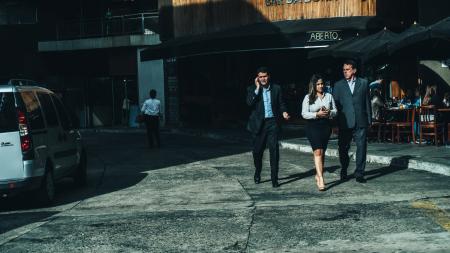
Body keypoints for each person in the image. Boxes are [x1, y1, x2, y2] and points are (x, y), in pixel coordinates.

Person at [246, 66, 290, 188]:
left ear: (268, 76)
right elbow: (249, 103)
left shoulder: (276, 88)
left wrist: (284, 112)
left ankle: (274, 179)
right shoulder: (252, 89)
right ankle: (257, 171)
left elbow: (281, 103)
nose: (263, 79)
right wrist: (257, 88)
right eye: (260, 77)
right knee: (257, 152)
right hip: (258, 125)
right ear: (257, 78)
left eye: (265, 76)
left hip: (272, 123)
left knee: (274, 151)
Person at [332, 60, 371, 183]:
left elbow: (367, 103)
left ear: (354, 70)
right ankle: (344, 168)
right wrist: (335, 124)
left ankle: (359, 173)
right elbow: (335, 106)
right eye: (344, 70)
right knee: (343, 148)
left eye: (347, 69)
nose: (345, 72)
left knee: (362, 148)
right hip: (344, 122)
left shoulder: (364, 83)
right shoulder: (338, 85)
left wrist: (369, 121)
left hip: (360, 121)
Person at [301, 74, 337, 191]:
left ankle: (318, 173)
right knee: (317, 151)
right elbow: (304, 113)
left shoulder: (329, 96)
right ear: (314, 85)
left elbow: (335, 111)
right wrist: (316, 114)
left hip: (325, 126)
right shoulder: (308, 97)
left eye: (322, 84)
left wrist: (329, 112)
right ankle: (321, 178)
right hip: (312, 126)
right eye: (318, 84)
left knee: (322, 151)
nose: (321, 86)